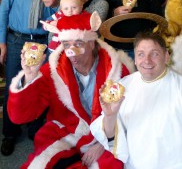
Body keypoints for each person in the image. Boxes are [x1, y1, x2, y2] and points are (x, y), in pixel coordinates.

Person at [7, 12, 134, 168]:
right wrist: (29, 76)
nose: (71, 52)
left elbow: (128, 116)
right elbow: (19, 116)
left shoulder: (118, 70)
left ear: (92, 43)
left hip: (105, 135)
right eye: (66, 44)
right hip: (65, 133)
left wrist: (102, 144)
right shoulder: (53, 71)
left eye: (79, 44)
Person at [90, 31, 182, 169]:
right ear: (136, 58)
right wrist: (110, 116)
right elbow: (111, 139)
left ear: (166, 57)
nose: (147, 60)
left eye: (154, 54)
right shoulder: (124, 86)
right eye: (141, 54)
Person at [0, 0, 74, 156]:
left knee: (40, 86)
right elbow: (5, 6)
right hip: (16, 39)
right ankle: (9, 134)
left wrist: (53, 4)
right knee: (15, 84)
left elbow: (61, 19)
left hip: (44, 40)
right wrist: (2, 41)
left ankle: (35, 128)